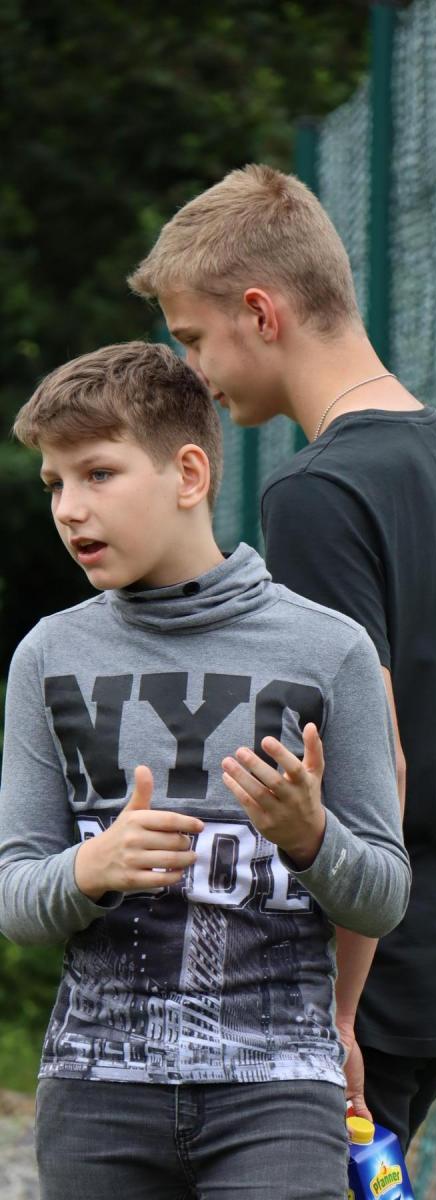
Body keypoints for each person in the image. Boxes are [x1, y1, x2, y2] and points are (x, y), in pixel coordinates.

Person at [128, 162, 436, 1149]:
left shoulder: (315, 492)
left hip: (369, 983)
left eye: (194, 338)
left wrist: (336, 1014)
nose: (195, 372)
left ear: (259, 312)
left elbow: (370, 764)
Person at [0, 341, 410, 1200]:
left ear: (188, 474)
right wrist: (90, 868)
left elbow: (384, 895)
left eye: (98, 473)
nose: (70, 508)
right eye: (54, 484)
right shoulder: (46, 655)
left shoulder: (330, 649)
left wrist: (310, 837)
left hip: (280, 1094)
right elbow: (16, 900)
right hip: (95, 1094)